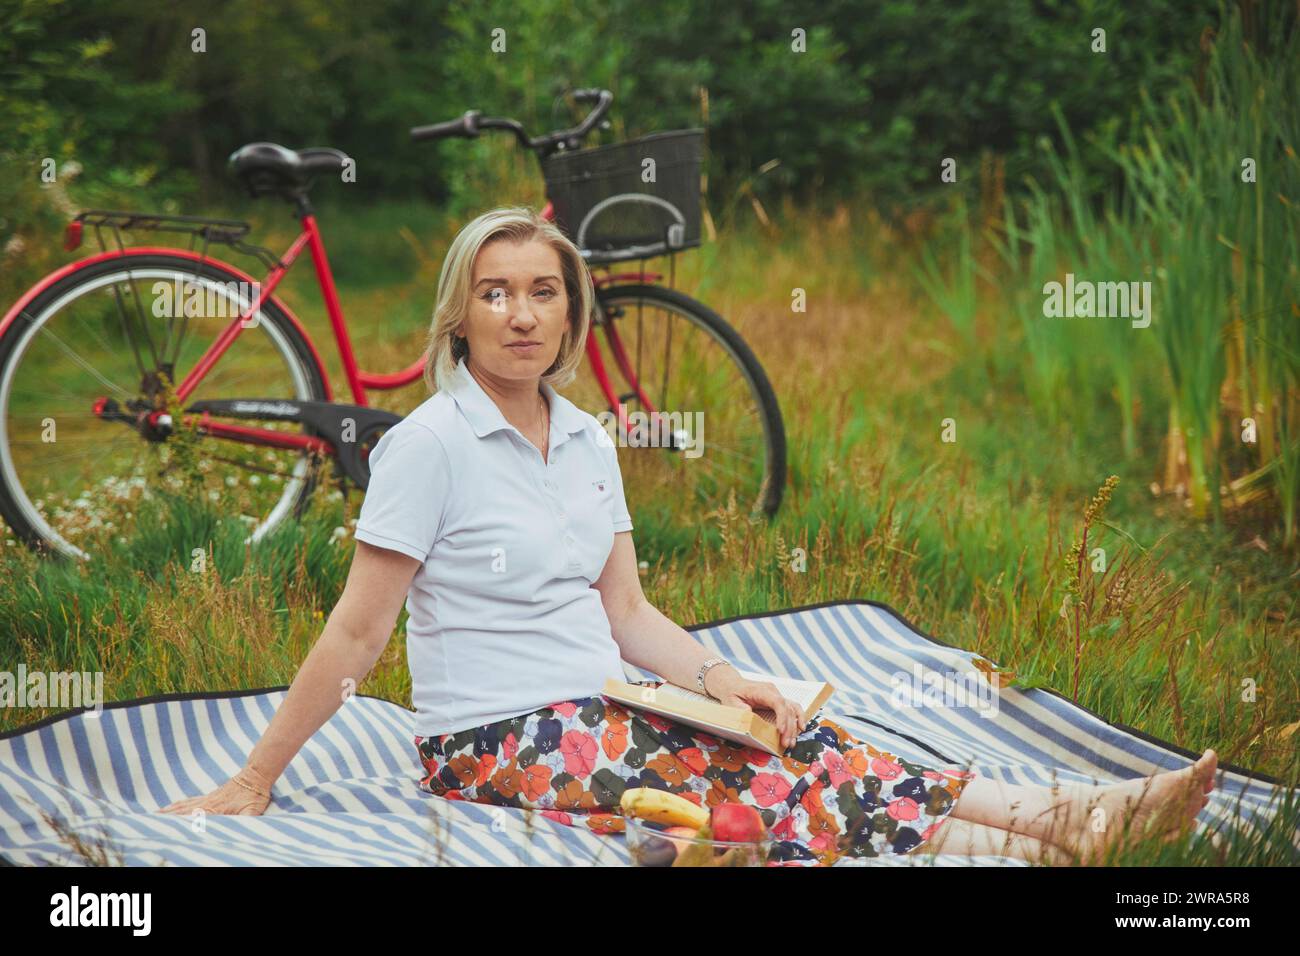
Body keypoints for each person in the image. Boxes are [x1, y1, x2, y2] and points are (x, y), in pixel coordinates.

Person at [160, 206, 1218, 865]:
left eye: (545, 293)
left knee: (793, 740)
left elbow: (626, 612)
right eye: (496, 294)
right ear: (459, 317)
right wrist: (256, 775)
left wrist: (721, 675)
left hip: (615, 705)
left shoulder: (583, 439)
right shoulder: (427, 446)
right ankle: (1070, 815)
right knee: (753, 785)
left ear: (573, 315)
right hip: (499, 741)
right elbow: (355, 637)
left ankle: (1051, 835)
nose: (522, 315)